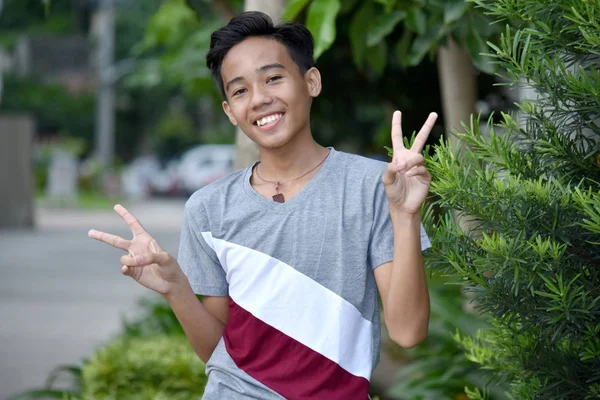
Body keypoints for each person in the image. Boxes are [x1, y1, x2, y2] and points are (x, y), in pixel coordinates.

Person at [88, 11, 437, 400]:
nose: (259, 99)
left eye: (273, 78)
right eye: (239, 91)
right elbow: (217, 350)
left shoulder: (372, 187)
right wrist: (176, 290)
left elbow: (408, 332)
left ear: (311, 81)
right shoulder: (208, 207)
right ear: (230, 112)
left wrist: (405, 216)